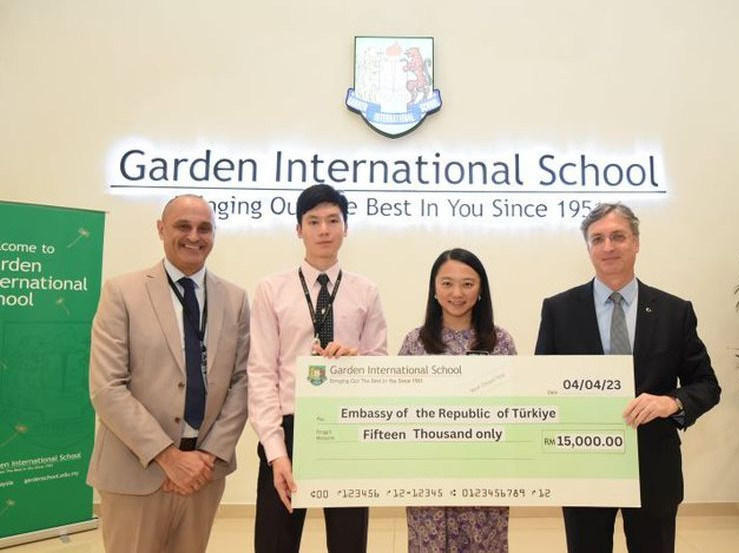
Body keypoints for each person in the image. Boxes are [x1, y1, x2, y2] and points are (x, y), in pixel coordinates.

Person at [534, 203, 721, 553]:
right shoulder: (559, 310)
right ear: (588, 248)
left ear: (636, 242)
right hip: (583, 467)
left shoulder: (674, 311)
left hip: (654, 468)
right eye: (597, 239)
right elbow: (542, 387)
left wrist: (671, 403)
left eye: (618, 236)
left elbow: (707, 385)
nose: (608, 247)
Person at [87, 195, 250, 553]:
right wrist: (169, 458)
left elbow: (242, 383)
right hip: (136, 472)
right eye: (183, 226)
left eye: (204, 228)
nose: (194, 236)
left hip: (204, 474)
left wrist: (207, 457)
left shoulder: (235, 299)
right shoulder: (121, 292)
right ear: (161, 229)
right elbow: (107, 388)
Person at [247, 184, 387, 553]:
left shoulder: (366, 291)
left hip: (346, 427)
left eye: (332, 220)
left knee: (348, 542)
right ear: (299, 229)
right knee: (275, 543)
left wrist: (355, 362)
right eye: (313, 221)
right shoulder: (271, 289)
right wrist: (275, 450)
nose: (324, 230)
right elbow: (261, 372)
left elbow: (378, 363)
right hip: (289, 428)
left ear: (346, 227)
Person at [399, 248, 517, 553]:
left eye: (467, 284)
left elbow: (515, 409)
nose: (457, 293)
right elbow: (399, 408)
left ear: (481, 290)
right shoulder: (414, 343)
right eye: (447, 283)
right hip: (427, 476)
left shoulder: (501, 342)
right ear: (434, 289)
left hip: (485, 476)